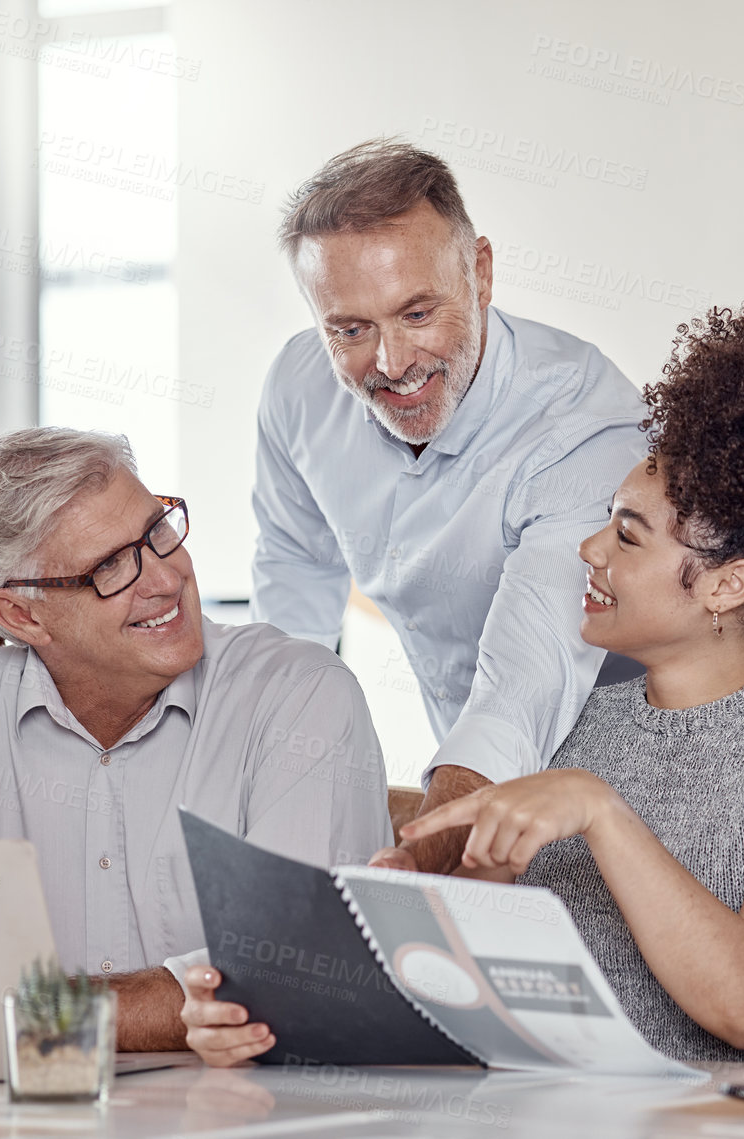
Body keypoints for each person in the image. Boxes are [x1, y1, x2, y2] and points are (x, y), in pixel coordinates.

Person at [182, 293, 744, 1064]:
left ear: (725, 585)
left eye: (626, 532)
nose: (588, 549)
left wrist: (600, 812)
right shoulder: (571, 727)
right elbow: (484, 1005)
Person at [0, 428, 392, 1051]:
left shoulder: (300, 694)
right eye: (110, 567)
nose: (165, 580)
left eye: (159, 532)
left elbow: (295, 973)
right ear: (20, 616)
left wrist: (15, 1017)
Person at [251, 140, 648, 872]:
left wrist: (409, 869)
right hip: (467, 786)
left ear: (481, 273)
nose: (393, 363)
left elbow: (526, 676)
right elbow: (294, 584)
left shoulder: (582, 420)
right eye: (349, 329)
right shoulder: (298, 388)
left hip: (629, 792)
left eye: (418, 312)